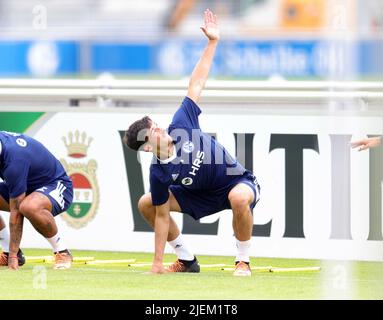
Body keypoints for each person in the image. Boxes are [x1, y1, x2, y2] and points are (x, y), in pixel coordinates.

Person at [123, 9, 260, 276]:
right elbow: (162, 217)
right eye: (153, 132)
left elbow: (196, 83)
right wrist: (156, 263)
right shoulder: (159, 172)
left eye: (155, 125)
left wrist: (212, 42)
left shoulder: (181, 123)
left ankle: (242, 260)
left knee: (240, 197)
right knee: (146, 204)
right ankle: (186, 260)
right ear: (148, 148)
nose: (159, 129)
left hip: (232, 182)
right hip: (197, 196)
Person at [0, 131, 73, 270]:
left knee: (28, 207)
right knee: (26, 204)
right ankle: (6, 250)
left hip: (57, 186)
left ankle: (62, 251)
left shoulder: (14, 160)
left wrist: (13, 258)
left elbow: (16, 211)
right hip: (27, 186)